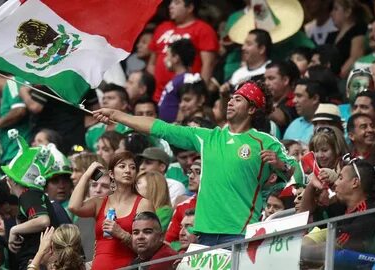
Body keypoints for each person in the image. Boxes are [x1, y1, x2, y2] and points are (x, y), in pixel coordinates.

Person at [93, 80, 297, 246]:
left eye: (238, 99)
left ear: (252, 108)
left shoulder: (265, 142)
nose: (230, 102)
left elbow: (300, 177)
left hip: (240, 234)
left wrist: (281, 165)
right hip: (203, 235)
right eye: (231, 98)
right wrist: (118, 115)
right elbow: (160, 128)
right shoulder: (207, 137)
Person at [69, 151, 154, 270]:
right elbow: (73, 206)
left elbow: (149, 247)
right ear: (111, 174)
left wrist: (121, 234)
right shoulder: (99, 202)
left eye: (132, 167)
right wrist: (87, 174)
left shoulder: (143, 204)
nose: (128, 170)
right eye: (122, 166)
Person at [301, 159, 375, 266]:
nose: (335, 183)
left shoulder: (367, 214)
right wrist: (312, 185)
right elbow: (304, 214)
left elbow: (336, 247)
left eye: (340, 178)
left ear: (355, 183)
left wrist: (297, 253)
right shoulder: (341, 207)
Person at [1, 130, 59, 270]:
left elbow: (43, 220)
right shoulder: (34, 194)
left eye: (9, 176)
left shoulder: (28, 194)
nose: (7, 178)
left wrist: (14, 230)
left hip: (37, 261)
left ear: (14, 181)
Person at [147, 0, 218, 102]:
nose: (170, 6)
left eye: (176, 3)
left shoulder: (203, 29)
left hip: (185, 97)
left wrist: (200, 94)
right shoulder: (162, 28)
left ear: (189, 8)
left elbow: (208, 65)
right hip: (159, 96)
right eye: (171, 3)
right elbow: (152, 63)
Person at [158, 39, 196, 123]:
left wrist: (178, 124)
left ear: (176, 58)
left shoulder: (187, 80)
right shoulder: (178, 79)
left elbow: (184, 105)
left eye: (167, 55)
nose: (164, 60)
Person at [327, 0, 368, 78]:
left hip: (344, 81)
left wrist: (334, 79)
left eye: (335, 9)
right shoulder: (331, 36)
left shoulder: (358, 30)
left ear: (348, 12)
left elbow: (355, 58)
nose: (331, 14)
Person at [85, 84, 131, 152]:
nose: (105, 101)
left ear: (124, 105)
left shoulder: (132, 126)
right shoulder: (92, 132)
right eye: (103, 98)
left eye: (110, 98)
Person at [284, 79, 326, 143]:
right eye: (294, 96)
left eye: (299, 96)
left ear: (315, 98)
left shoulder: (328, 127)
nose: (294, 101)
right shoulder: (294, 124)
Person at [264, 60, 300, 131]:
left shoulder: (296, 99)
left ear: (285, 80)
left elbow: (281, 118)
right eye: (265, 79)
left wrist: (256, 100)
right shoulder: (271, 101)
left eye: (271, 78)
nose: (266, 83)